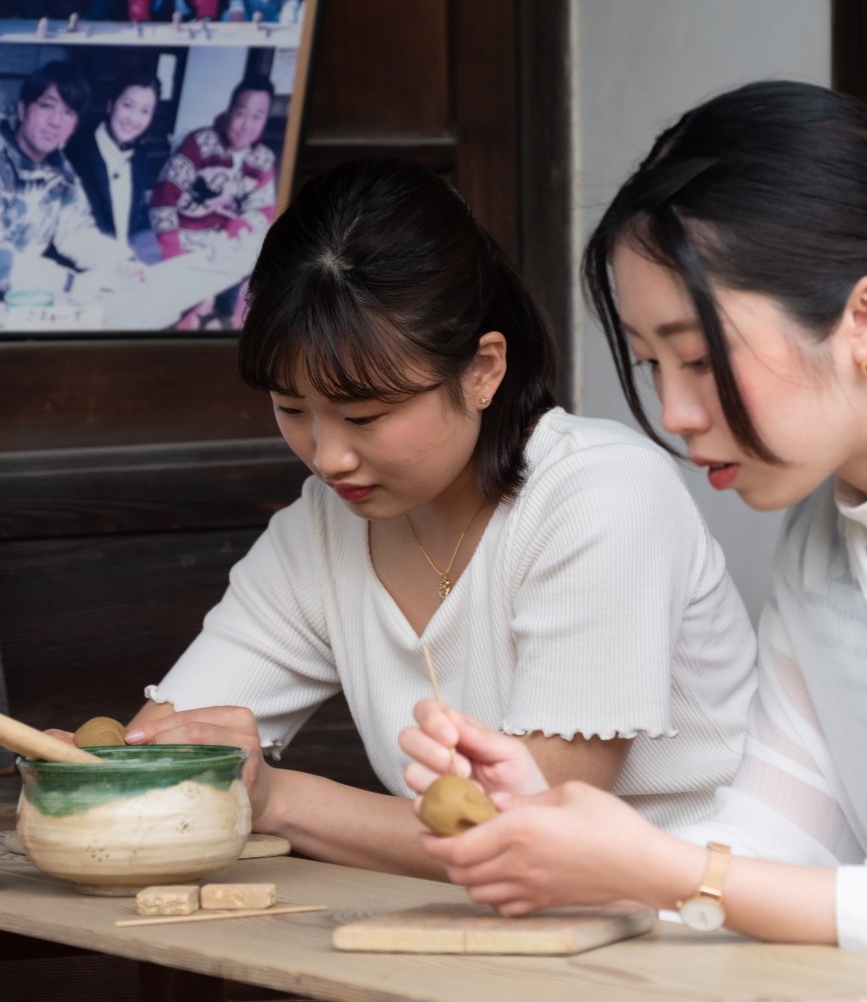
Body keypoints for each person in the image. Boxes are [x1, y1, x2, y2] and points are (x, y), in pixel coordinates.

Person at [114, 158, 757, 879]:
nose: (328, 458)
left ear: (483, 370)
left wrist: (280, 798)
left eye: (365, 415)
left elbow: (531, 827)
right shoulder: (322, 530)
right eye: (292, 410)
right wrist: (81, 769)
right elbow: (161, 749)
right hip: (500, 942)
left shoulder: (599, 496)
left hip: (707, 925)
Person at [400, 79, 867, 949]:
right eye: (654, 364)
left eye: (696, 356)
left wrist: (659, 871)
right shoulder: (822, 540)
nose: (675, 414)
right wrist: (558, 833)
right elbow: (783, 839)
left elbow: (719, 881)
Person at [0, 60, 142, 307]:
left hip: (20, 293)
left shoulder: (58, 169)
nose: (55, 122)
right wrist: (71, 284)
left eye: (68, 113)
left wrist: (120, 262)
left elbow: (75, 231)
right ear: (22, 110)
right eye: (47, 106)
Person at [148, 73, 276, 328]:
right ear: (228, 112)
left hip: (224, 254)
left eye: (257, 116)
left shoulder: (263, 158)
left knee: (230, 319)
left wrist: (234, 231)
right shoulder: (198, 143)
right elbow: (161, 201)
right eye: (241, 113)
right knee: (181, 321)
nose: (246, 125)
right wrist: (175, 256)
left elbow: (263, 211)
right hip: (182, 251)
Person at [65, 68, 160, 260]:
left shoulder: (139, 158)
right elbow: (74, 232)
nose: (133, 119)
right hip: (85, 265)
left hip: (125, 266)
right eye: (127, 105)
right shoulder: (77, 152)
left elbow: (136, 222)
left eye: (144, 111)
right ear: (110, 105)